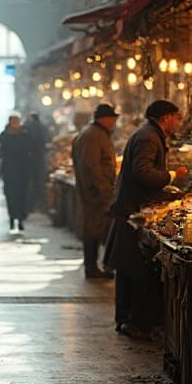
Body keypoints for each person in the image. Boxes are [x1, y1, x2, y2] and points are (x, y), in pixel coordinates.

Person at [106, 100, 187, 339]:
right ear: (165, 118)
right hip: (134, 212)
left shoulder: (147, 134)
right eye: (177, 117)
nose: (178, 122)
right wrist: (171, 175)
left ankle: (126, 320)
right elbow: (143, 172)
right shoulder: (148, 137)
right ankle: (136, 322)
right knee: (136, 271)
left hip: (133, 209)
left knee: (128, 271)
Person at [72, 102, 119, 279]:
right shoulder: (92, 136)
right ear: (105, 119)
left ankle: (94, 266)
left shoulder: (94, 133)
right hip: (95, 194)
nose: (114, 123)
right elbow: (90, 166)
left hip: (96, 191)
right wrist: (103, 190)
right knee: (93, 229)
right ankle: (91, 267)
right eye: (113, 119)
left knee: (95, 228)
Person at [0, 113, 33, 231]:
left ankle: (21, 218)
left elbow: (31, 150)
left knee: (22, 195)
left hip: (23, 170)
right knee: (10, 195)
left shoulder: (25, 134)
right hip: (9, 171)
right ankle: (12, 218)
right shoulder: (4, 135)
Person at [25, 112, 49, 212]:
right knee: (39, 181)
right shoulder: (42, 127)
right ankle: (39, 204)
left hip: (29, 158)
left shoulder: (27, 127)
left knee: (29, 182)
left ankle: (30, 205)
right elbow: (46, 139)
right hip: (40, 157)